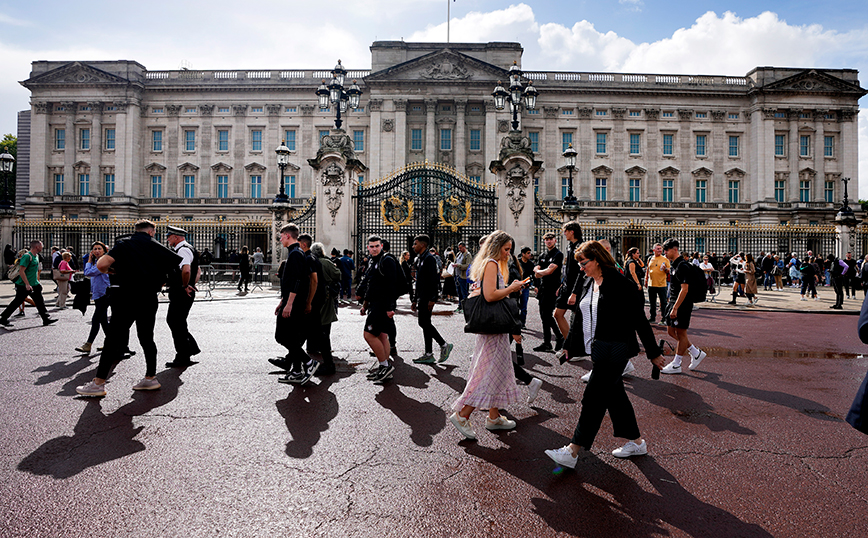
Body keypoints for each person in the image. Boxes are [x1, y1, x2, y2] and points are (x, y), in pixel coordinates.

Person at [545, 241, 666, 469]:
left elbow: (639, 320)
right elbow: (579, 317)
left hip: (615, 349)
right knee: (615, 396)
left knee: (593, 397)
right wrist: (570, 345)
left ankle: (572, 451)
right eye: (579, 263)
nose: (581, 268)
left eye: (583, 263)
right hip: (597, 349)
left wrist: (653, 353)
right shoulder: (589, 282)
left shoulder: (621, 284)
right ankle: (637, 442)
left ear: (597, 260)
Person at [76, 220, 182, 397]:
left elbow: (101, 265)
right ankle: (150, 377)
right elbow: (171, 273)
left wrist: (115, 272)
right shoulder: (158, 247)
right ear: (151, 232)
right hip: (149, 298)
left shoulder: (124, 244)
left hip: (127, 297)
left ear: (136, 230)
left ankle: (99, 382)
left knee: (113, 339)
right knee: (147, 338)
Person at [449, 231, 526, 440]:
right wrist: (512, 287)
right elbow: (490, 295)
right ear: (496, 246)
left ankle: (494, 416)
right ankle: (463, 414)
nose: (509, 254)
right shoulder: (491, 263)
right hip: (493, 328)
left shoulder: (485, 263)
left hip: (492, 328)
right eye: (506, 249)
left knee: (497, 371)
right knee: (487, 371)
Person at [268, 223, 318, 385]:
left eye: (281, 236)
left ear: (288, 236)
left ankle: (309, 362)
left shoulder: (296, 254)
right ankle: (296, 371)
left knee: (282, 336)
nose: (280, 239)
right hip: (292, 300)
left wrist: (288, 304)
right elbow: (290, 282)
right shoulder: (295, 253)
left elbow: (297, 281)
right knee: (294, 338)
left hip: (294, 303)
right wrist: (283, 300)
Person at [660, 238, 707, 375]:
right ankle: (695, 352)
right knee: (670, 331)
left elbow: (684, 289)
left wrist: (675, 307)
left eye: (667, 250)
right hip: (673, 301)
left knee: (681, 333)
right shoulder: (675, 265)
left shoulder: (683, 266)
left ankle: (677, 363)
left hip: (682, 303)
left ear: (675, 249)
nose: (665, 253)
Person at [506, 241, 544, 404]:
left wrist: (516, 327)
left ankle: (529, 381)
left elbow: (511, 299)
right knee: (497, 359)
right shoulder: (507, 266)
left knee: (497, 359)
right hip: (503, 317)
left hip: (505, 316)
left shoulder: (510, 268)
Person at [361, 236, 399, 384]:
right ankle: (384, 368)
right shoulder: (374, 260)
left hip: (381, 305)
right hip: (376, 303)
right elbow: (372, 284)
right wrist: (365, 304)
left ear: (381, 246)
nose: (374, 248)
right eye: (371, 246)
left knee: (369, 335)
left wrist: (390, 307)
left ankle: (385, 365)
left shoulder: (386, 260)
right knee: (382, 335)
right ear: (368, 247)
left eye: (377, 246)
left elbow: (392, 285)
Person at [411, 234, 453, 365]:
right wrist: (414, 299)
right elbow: (419, 281)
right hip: (422, 296)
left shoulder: (429, 259)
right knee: (425, 323)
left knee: (423, 323)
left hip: (427, 296)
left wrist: (433, 298)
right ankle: (428, 353)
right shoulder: (420, 258)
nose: (413, 246)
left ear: (423, 245)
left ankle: (443, 344)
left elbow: (434, 280)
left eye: (415, 243)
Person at [165, 226, 202, 368]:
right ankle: (189, 349)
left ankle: (183, 356)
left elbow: (186, 270)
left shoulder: (183, 250)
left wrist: (186, 285)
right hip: (183, 291)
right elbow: (197, 270)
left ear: (176, 237)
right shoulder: (188, 248)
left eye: (169, 236)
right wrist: (192, 283)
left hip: (181, 291)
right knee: (178, 322)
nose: (168, 239)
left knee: (175, 321)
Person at [0, 240, 57, 327]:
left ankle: (46, 319)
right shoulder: (27, 256)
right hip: (24, 285)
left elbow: (33, 271)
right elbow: (21, 271)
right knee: (17, 302)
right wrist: (27, 284)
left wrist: (37, 282)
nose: (43, 247)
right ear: (37, 247)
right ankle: (3, 318)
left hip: (34, 284)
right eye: (42, 246)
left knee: (40, 302)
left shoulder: (37, 256)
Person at [75, 242, 111, 354]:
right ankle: (111, 343)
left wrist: (89, 261)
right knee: (103, 321)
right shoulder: (98, 261)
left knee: (96, 319)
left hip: (105, 294)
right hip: (98, 294)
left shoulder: (103, 262)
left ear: (104, 250)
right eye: (94, 249)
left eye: (99, 248)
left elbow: (88, 273)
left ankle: (88, 344)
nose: (96, 251)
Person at [553, 221, 583, 354]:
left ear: (572, 231)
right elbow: (568, 270)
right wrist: (562, 284)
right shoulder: (570, 246)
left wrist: (575, 293)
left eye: (565, 231)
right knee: (557, 314)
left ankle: (574, 349)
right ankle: (570, 346)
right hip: (566, 286)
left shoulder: (581, 247)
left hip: (575, 288)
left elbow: (581, 273)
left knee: (578, 322)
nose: (564, 233)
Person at [310, 242, 339, 376]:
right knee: (324, 323)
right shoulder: (326, 262)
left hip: (314, 295)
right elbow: (338, 275)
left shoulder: (312, 261)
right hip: (326, 296)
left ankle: (313, 347)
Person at [533, 233, 563, 352]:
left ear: (555, 240)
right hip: (543, 289)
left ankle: (558, 337)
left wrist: (541, 271)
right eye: (546, 240)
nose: (549, 241)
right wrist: (541, 271)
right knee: (543, 316)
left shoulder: (558, 254)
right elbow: (536, 273)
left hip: (553, 288)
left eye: (551, 239)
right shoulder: (542, 255)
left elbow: (549, 271)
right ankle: (547, 342)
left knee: (547, 315)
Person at [644, 243, 670, 325]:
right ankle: (652, 317)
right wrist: (646, 279)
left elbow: (668, 270)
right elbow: (648, 269)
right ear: (654, 250)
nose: (660, 250)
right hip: (651, 284)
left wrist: (665, 269)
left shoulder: (665, 259)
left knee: (663, 302)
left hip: (661, 284)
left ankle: (664, 318)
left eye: (660, 249)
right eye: (658, 249)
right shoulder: (650, 258)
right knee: (652, 303)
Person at [517, 246, 535, 328]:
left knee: (524, 307)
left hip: (526, 287)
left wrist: (532, 284)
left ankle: (522, 323)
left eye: (530, 253)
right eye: (528, 253)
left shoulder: (531, 264)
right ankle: (516, 322)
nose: (530, 255)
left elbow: (533, 276)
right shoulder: (517, 263)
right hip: (517, 287)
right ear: (523, 254)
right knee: (516, 306)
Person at [454, 242, 470, 313]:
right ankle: (460, 306)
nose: (459, 249)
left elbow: (467, 266)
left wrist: (458, 266)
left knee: (464, 292)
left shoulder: (468, 255)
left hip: (463, 277)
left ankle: (465, 307)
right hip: (457, 276)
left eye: (461, 248)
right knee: (459, 292)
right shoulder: (458, 254)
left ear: (464, 247)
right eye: (459, 248)